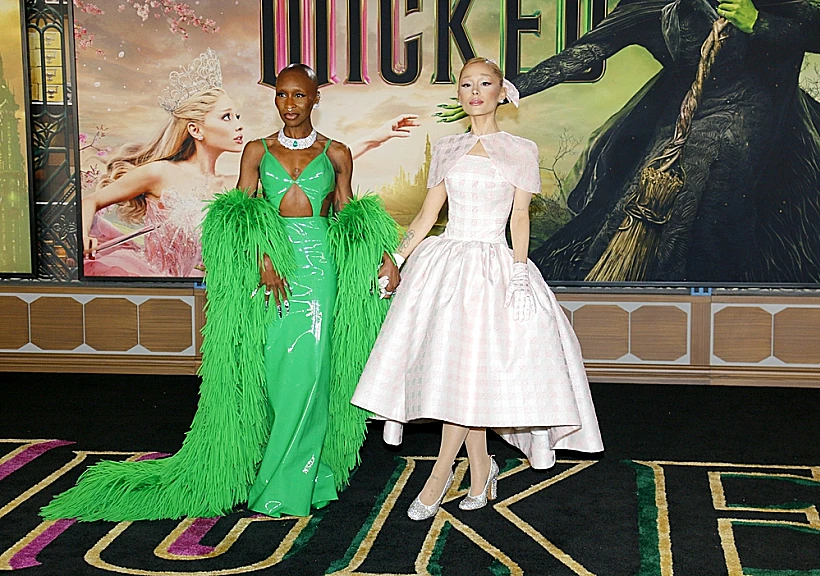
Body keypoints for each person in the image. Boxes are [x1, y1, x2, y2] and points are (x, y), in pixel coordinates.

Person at [40, 64, 400, 522]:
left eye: (299, 95)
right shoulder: (257, 151)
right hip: (269, 273)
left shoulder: (337, 153)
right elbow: (240, 214)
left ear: (315, 99)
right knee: (274, 373)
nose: (289, 104)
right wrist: (264, 256)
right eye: (282, 95)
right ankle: (287, 469)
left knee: (311, 373)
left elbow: (348, 212)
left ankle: (290, 483)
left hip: (320, 271)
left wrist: (384, 254)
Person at [351, 58, 604, 521]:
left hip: (494, 267)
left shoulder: (520, 149)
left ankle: (439, 474)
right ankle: (483, 467)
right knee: (461, 376)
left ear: (501, 92)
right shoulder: (448, 147)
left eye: (484, 83)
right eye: (466, 84)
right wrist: (399, 259)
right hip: (446, 268)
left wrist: (520, 271)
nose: (474, 91)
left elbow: (519, 216)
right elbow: (428, 215)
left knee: (471, 375)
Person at [82, 48, 244, 278]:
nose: (238, 125)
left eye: (237, 116)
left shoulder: (236, 184)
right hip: (153, 283)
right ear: (195, 129)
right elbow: (91, 200)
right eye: (226, 117)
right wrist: (83, 236)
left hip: (207, 289)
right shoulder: (161, 173)